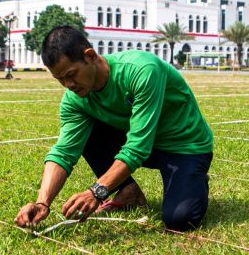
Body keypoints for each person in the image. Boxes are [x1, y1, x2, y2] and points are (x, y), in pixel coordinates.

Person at [14, 26, 213, 231]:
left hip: (185, 146)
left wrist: (97, 191)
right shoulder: (74, 100)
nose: (68, 84)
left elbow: (138, 146)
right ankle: (129, 193)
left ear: (89, 56)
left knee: (180, 219)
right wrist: (42, 202)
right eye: (60, 79)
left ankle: (194, 177)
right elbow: (64, 150)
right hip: (145, 145)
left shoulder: (141, 70)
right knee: (86, 133)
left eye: (71, 75)